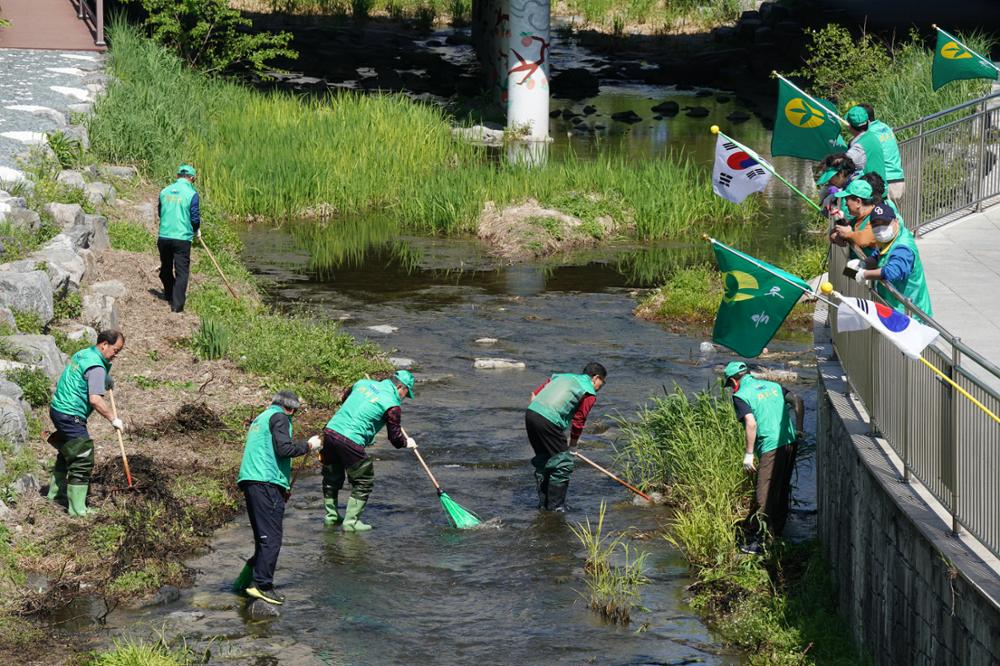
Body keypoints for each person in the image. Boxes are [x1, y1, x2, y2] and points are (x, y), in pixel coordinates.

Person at [235, 391, 322, 606]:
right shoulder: (281, 418)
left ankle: (243, 583)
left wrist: (282, 486)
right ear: (290, 408)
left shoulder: (261, 417)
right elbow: (284, 449)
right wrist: (310, 446)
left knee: (263, 537)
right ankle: (262, 585)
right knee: (272, 538)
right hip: (265, 481)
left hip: (252, 481)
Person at [320, 370, 417, 531]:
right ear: (400, 386)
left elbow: (345, 399)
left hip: (330, 432)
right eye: (406, 394)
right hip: (351, 439)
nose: (404, 398)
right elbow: (395, 439)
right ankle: (351, 523)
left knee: (332, 475)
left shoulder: (362, 383)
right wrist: (407, 442)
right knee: (364, 480)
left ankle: (331, 516)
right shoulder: (392, 405)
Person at [723, 361, 803, 555]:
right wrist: (799, 428)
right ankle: (776, 534)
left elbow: (751, 424)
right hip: (790, 442)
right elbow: (797, 400)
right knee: (781, 488)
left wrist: (749, 455)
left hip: (770, 447)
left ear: (734, 381)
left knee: (763, 494)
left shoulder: (740, 395)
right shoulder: (773, 386)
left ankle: (760, 542)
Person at [46, 330, 126, 517]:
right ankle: (77, 510)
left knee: (68, 450)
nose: (117, 354)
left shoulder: (84, 353)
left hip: (57, 409)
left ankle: (54, 494)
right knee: (82, 457)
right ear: (104, 344)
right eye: (115, 350)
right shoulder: (96, 366)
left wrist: (105, 378)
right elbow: (95, 400)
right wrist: (113, 419)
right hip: (70, 415)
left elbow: (86, 372)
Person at [525, 362, 607, 512]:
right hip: (548, 420)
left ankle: (544, 506)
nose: (601, 387)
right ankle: (556, 508)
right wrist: (573, 446)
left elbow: (534, 395)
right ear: (596, 378)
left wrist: (540, 414)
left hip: (531, 414)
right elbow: (579, 420)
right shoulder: (588, 392)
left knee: (544, 459)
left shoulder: (561, 377)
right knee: (564, 464)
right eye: (603, 382)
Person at [848, 203, 933, 316]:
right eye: (876, 224)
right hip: (893, 308)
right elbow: (878, 256)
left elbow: (892, 272)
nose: (880, 228)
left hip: (910, 314)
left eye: (885, 223)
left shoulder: (903, 247)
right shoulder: (890, 238)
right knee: (848, 272)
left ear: (895, 221)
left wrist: (864, 274)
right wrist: (862, 264)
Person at [157, 164, 201, 313]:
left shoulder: (164, 191)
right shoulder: (192, 194)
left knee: (166, 268)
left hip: (164, 235)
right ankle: (177, 306)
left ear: (177, 176)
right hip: (182, 238)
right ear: (192, 178)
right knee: (182, 271)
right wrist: (196, 230)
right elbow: (194, 217)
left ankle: (169, 294)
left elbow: (160, 211)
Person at [859, 103, 905, 201]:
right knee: (893, 215)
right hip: (898, 179)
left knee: (885, 215)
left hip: (886, 182)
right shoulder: (884, 127)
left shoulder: (870, 134)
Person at [844, 105, 888, 186]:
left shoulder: (858, 147)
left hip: (869, 193)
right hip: (880, 188)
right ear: (868, 122)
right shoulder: (872, 136)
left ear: (849, 126)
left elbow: (843, 165)